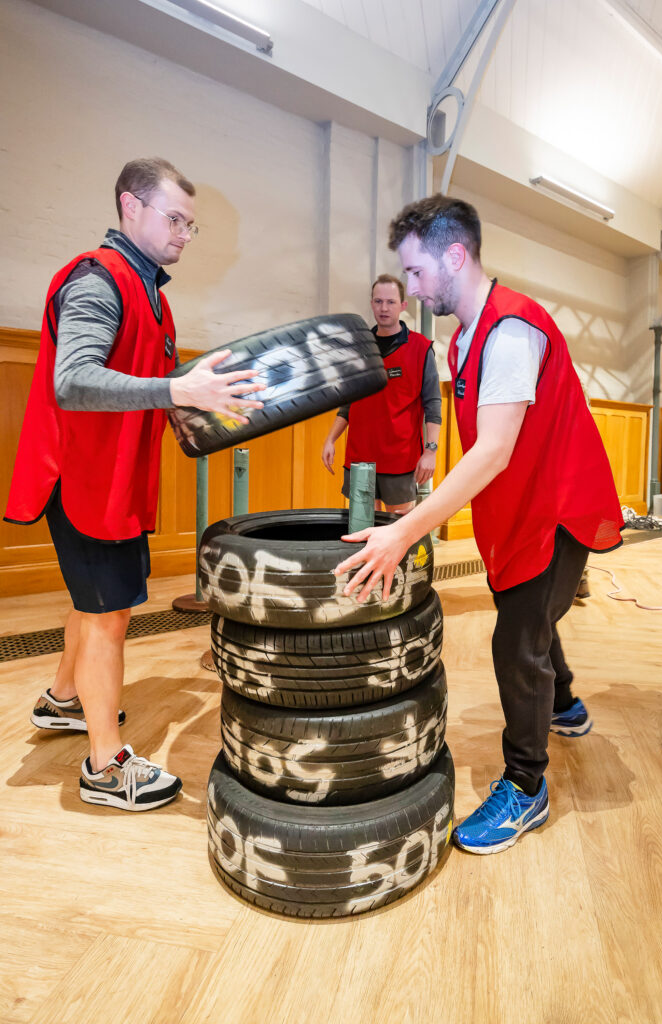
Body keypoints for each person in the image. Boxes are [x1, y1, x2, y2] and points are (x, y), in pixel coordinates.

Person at [334, 195, 623, 855]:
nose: (410, 288)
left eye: (415, 272)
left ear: (454, 256)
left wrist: (404, 530)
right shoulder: (467, 334)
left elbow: (492, 451)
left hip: (556, 509)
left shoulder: (510, 330)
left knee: (515, 642)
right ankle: (565, 704)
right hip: (517, 507)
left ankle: (526, 787)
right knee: (529, 617)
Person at [4, 157, 263, 811]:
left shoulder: (153, 294)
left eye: (190, 225)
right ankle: (104, 767)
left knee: (97, 603)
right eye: (174, 219)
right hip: (81, 480)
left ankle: (64, 699)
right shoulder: (98, 280)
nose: (183, 234)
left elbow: (142, 382)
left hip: (111, 482)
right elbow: (74, 380)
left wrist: (188, 403)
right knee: (108, 616)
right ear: (130, 207)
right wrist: (177, 389)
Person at [321, 274, 442, 514]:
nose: (384, 308)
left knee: (399, 529)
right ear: (371, 304)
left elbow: (433, 404)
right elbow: (348, 404)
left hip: (400, 461)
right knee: (362, 526)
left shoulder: (420, 348)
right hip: (359, 459)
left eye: (390, 302)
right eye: (378, 301)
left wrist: (431, 451)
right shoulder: (358, 349)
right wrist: (330, 439)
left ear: (402, 305)